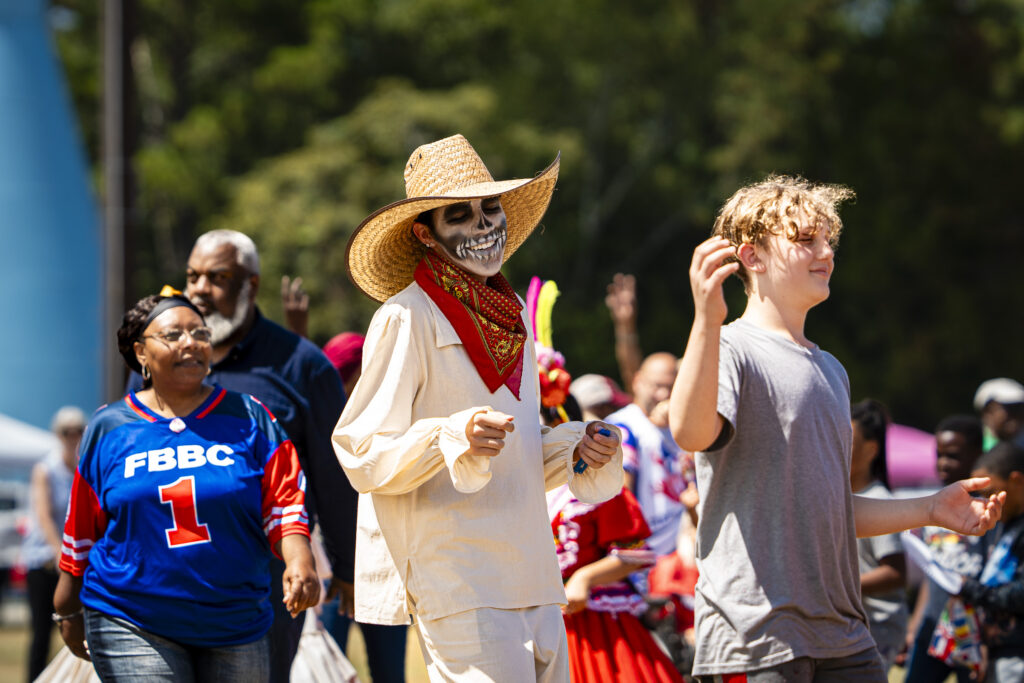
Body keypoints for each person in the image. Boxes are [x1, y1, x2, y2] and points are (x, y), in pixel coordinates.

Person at [667, 175, 1004, 681]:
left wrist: (932, 508)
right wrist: (705, 321)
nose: (826, 251)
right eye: (805, 239)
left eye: (829, 240)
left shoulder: (832, 370)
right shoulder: (729, 347)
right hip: (757, 638)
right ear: (751, 257)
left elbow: (827, 507)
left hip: (845, 636)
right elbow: (690, 434)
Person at [333, 134, 623, 682]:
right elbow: (360, 453)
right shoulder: (405, 316)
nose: (484, 224)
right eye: (460, 215)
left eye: (490, 208)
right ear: (426, 233)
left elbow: (515, 457)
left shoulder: (510, 312)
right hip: (458, 577)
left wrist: (578, 446)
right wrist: (450, 433)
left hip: (535, 574)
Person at [54, 293, 320, 681]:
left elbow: (284, 503)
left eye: (200, 333)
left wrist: (300, 560)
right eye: (173, 334)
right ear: (140, 352)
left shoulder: (249, 415)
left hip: (236, 618)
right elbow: (82, 524)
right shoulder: (108, 427)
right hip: (131, 616)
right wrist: (66, 602)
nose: (190, 342)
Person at [133, 230, 356, 682]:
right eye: (192, 276)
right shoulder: (160, 359)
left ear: (250, 285)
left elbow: (333, 475)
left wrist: (348, 567)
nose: (198, 289)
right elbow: (126, 450)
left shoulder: (302, 365)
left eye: (217, 277)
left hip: (264, 585)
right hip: (165, 578)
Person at [321, 330, 407, 683]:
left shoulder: (394, 421)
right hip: (333, 571)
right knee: (327, 671)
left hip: (384, 567)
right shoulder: (319, 426)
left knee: (389, 674)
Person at [905, 415, 987, 683]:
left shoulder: (990, 509)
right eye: (939, 455)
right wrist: (916, 623)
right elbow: (933, 573)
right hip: (933, 628)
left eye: (952, 456)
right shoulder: (933, 509)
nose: (942, 464)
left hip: (976, 631)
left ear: (978, 454)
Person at [22, 405, 85, 682]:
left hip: (70, 564)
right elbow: (44, 516)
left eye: (78, 430)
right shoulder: (46, 469)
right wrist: (62, 555)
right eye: (66, 431)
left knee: (77, 631)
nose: (72, 436)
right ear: (57, 434)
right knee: (41, 634)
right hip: (45, 562)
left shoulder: (83, 469)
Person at [607, 352, 689, 560]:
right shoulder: (622, 426)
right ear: (638, 382)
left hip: (685, 550)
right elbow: (620, 493)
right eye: (656, 385)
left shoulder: (685, 427)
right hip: (645, 553)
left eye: (670, 387)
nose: (663, 394)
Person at [849, 398, 907, 672]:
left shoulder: (879, 500)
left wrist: (838, 585)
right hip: (853, 623)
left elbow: (896, 573)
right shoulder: (836, 498)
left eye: (847, 441)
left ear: (871, 450)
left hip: (879, 628)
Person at [959, 442, 1024, 682]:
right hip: (999, 651)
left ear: (1017, 481)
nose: (985, 504)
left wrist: (971, 589)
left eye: (991, 492)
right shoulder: (1006, 524)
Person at [973, 378, 1024, 452]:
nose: (1016, 413)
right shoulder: (973, 450)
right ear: (987, 411)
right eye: (1008, 407)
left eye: (1020, 406)